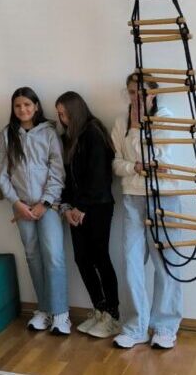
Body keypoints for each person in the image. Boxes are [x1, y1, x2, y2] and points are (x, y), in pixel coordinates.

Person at [111, 75, 183, 350]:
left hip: (164, 196)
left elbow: (160, 160)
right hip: (132, 197)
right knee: (131, 263)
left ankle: (165, 327)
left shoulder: (165, 117)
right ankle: (136, 327)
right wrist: (135, 166)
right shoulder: (120, 122)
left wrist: (138, 145)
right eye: (131, 92)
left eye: (142, 93)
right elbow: (118, 164)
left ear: (154, 94)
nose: (136, 98)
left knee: (166, 264)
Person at [0, 87, 70, 336]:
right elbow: (2, 174)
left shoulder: (49, 134)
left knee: (54, 256)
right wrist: (17, 203)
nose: (23, 109)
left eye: (27, 104)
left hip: (47, 207)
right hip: (22, 208)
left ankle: (61, 314)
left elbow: (57, 171)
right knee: (33, 256)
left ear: (36, 106)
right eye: (18, 106)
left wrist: (45, 203)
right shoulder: (7, 136)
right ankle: (45, 310)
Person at [55, 91, 119, 339]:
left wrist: (80, 207)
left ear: (76, 110)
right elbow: (69, 180)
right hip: (76, 209)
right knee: (82, 259)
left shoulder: (93, 132)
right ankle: (99, 309)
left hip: (98, 207)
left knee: (100, 257)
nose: (61, 118)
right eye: (59, 114)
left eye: (64, 113)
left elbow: (98, 176)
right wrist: (68, 207)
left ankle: (112, 315)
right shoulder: (70, 138)